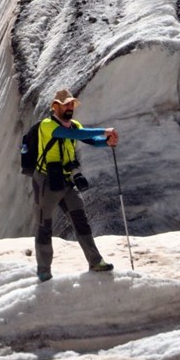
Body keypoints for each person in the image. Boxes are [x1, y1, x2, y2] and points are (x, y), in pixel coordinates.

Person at [32, 89, 118, 281]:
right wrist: (104, 131)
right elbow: (70, 134)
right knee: (44, 225)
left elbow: (89, 139)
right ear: (56, 106)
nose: (70, 107)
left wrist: (106, 142)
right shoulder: (47, 125)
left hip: (66, 180)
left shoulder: (74, 126)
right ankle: (43, 270)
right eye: (66, 104)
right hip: (46, 181)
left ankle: (95, 261)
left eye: (72, 104)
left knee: (80, 220)